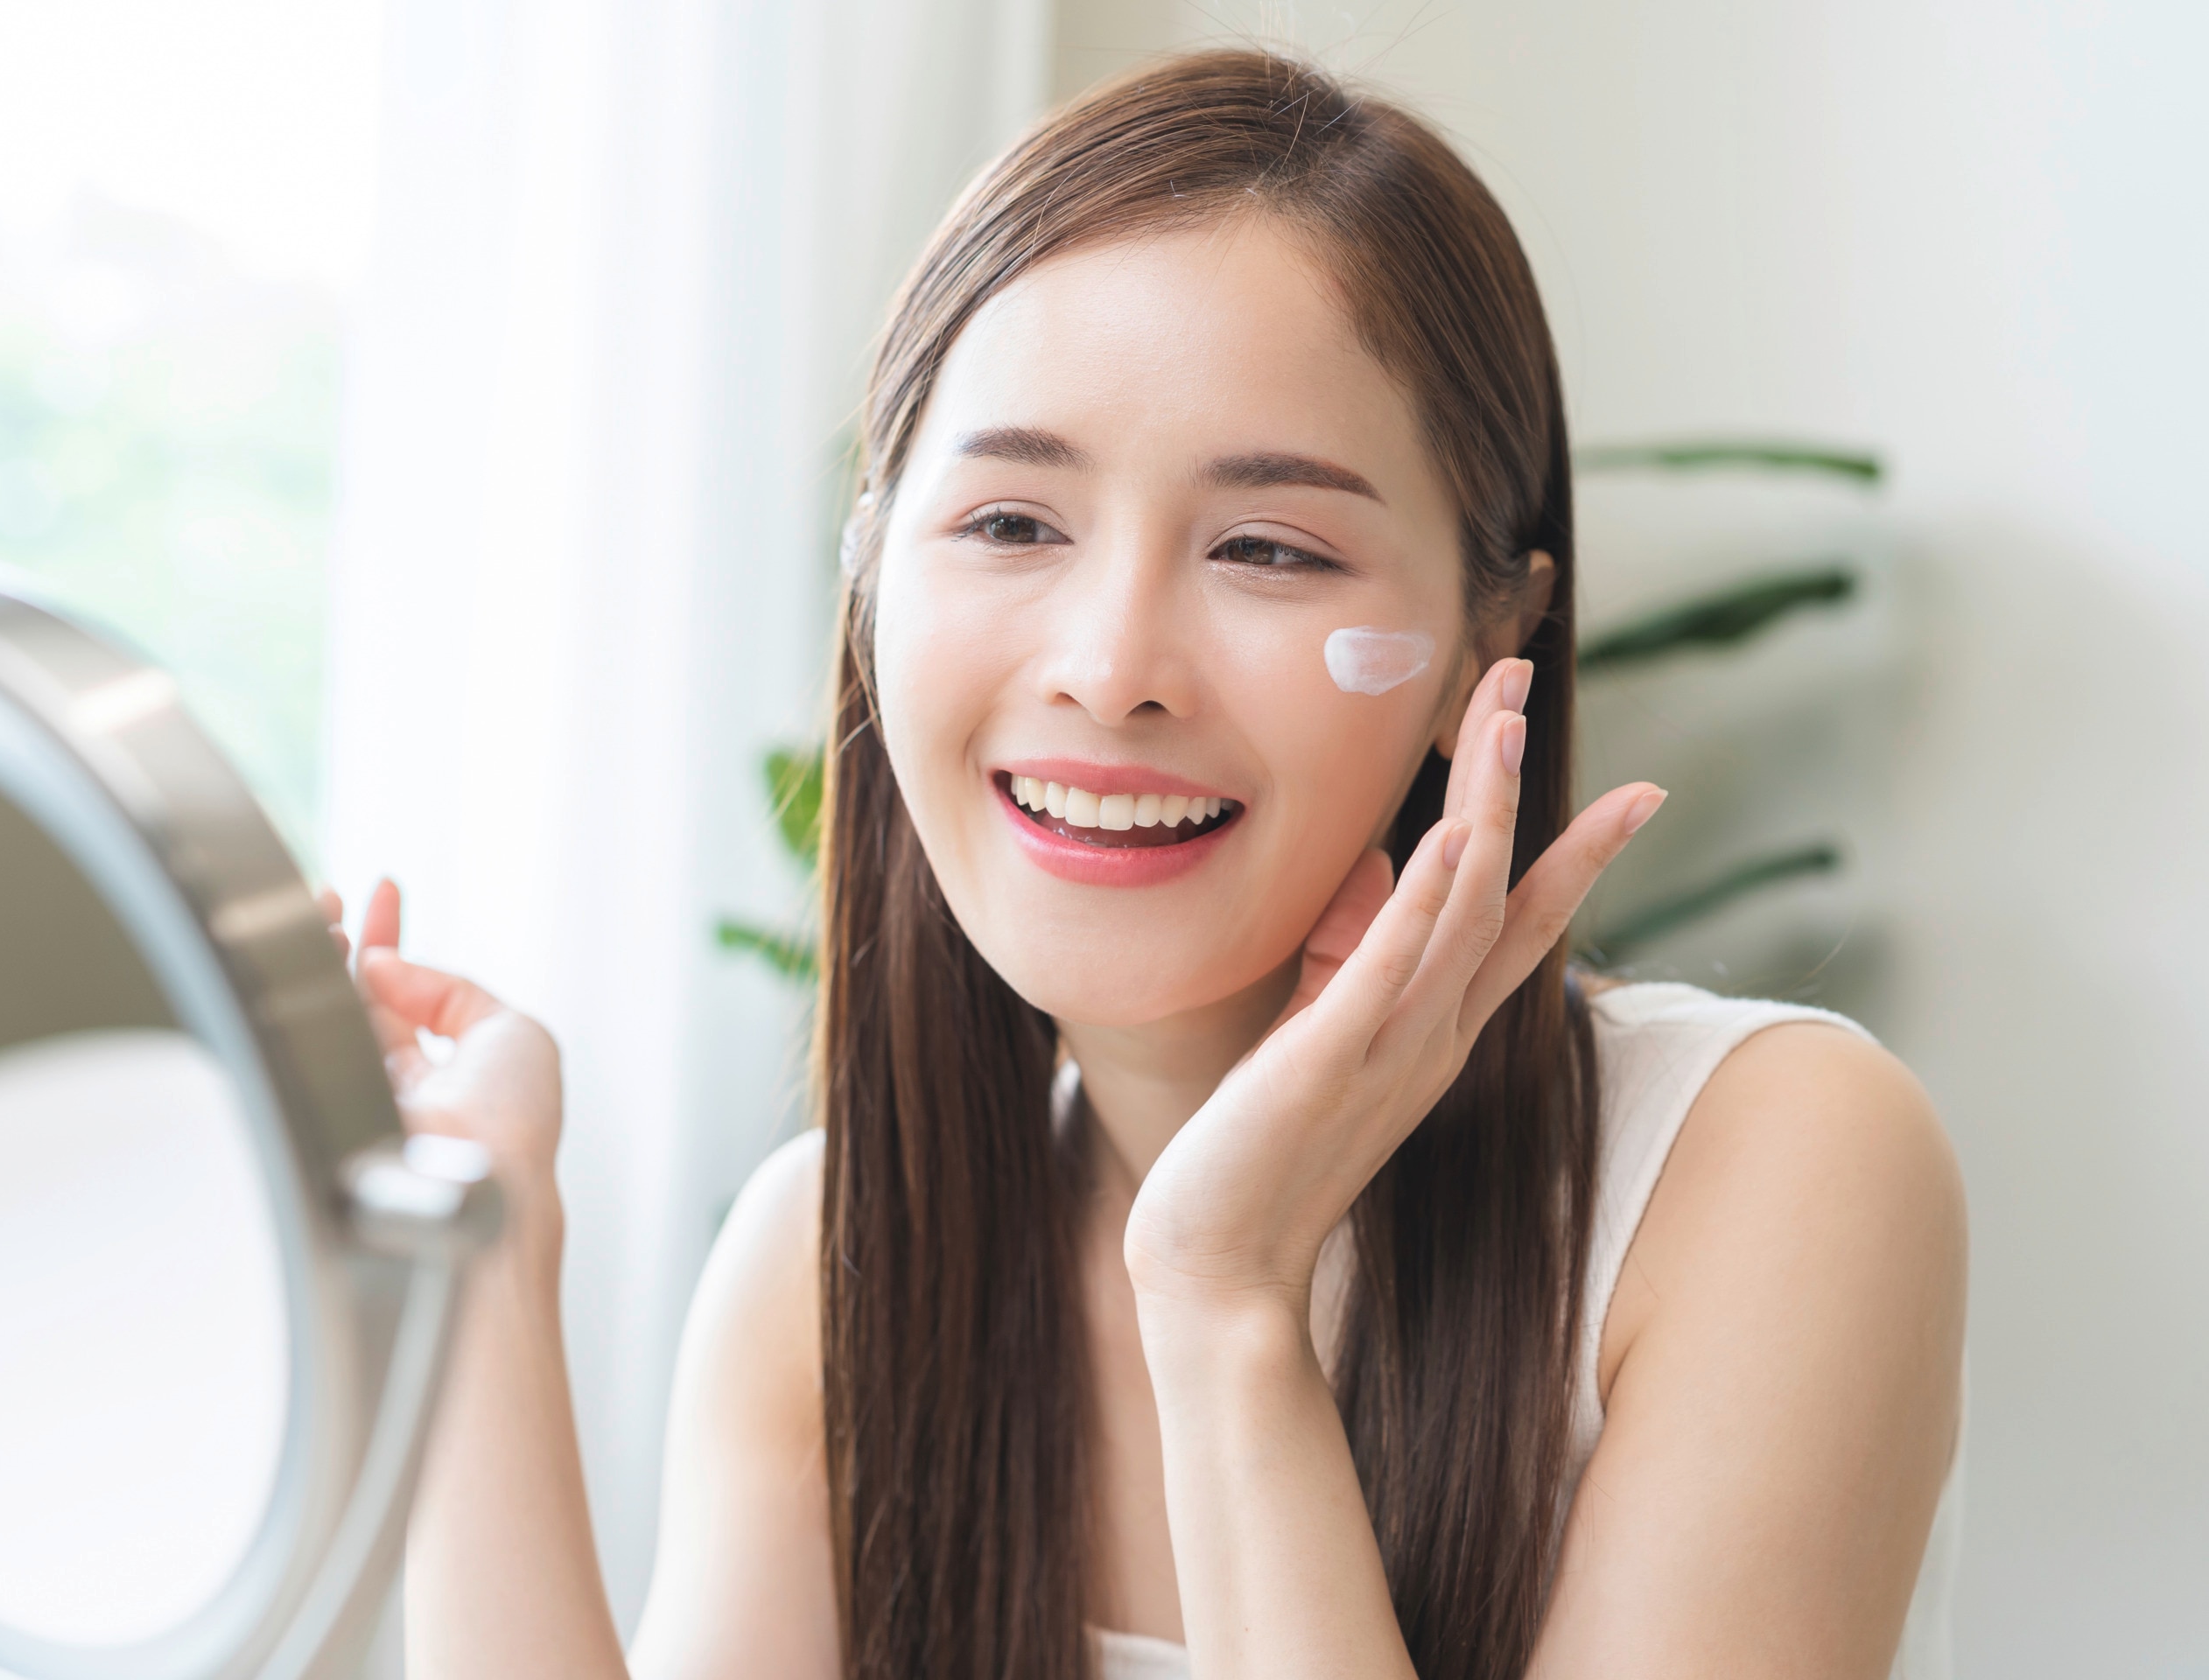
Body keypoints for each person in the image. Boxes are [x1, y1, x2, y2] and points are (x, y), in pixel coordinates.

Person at [322, 48, 1967, 1680]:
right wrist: (473, 1243)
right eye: (1013, 525)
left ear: (1492, 639)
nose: (1112, 669)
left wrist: (1225, 1299)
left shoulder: (1761, 1167)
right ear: (871, 576)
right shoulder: (826, 1267)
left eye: (1268, 548)